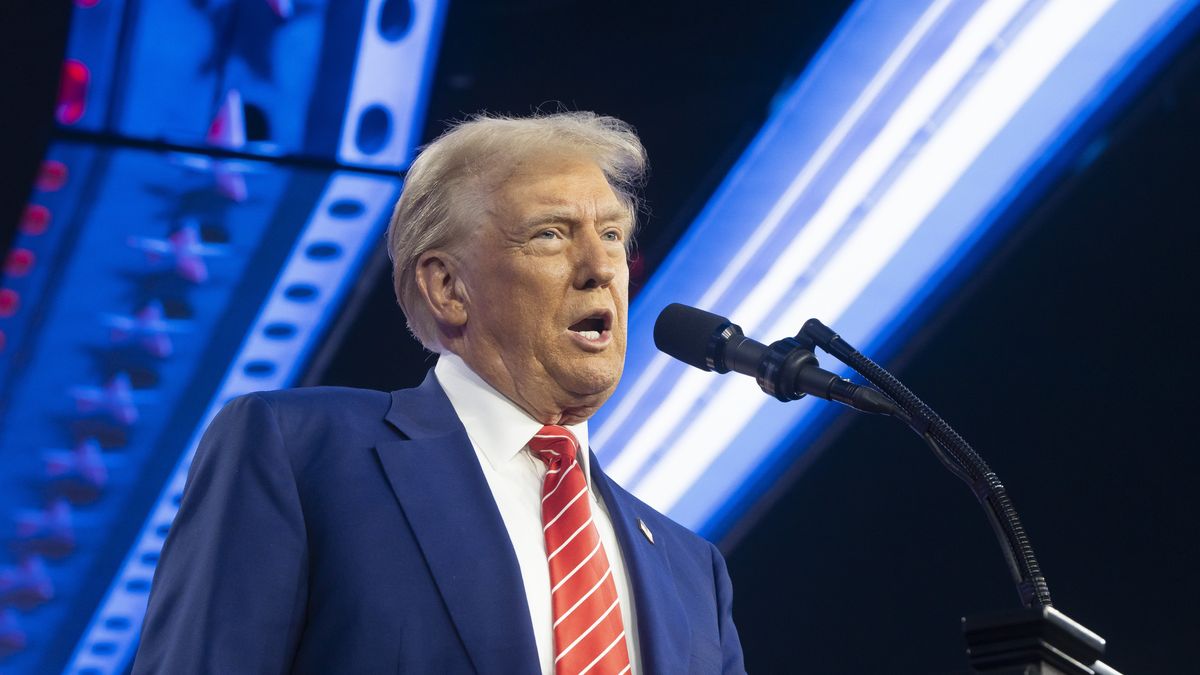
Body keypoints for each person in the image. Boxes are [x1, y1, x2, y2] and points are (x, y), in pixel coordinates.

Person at [133, 112, 746, 674]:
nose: (601, 267)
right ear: (448, 287)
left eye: (612, 234)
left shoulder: (691, 571)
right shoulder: (301, 453)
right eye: (550, 235)